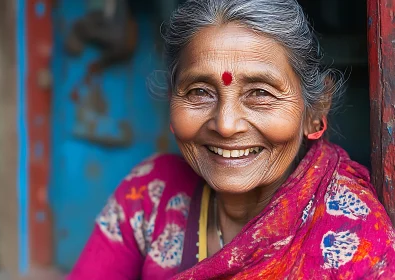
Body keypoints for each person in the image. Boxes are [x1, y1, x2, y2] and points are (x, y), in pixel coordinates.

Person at [67, 0, 395, 279]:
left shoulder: (353, 239)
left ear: (315, 110)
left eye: (260, 94)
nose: (225, 125)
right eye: (199, 92)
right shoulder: (151, 193)